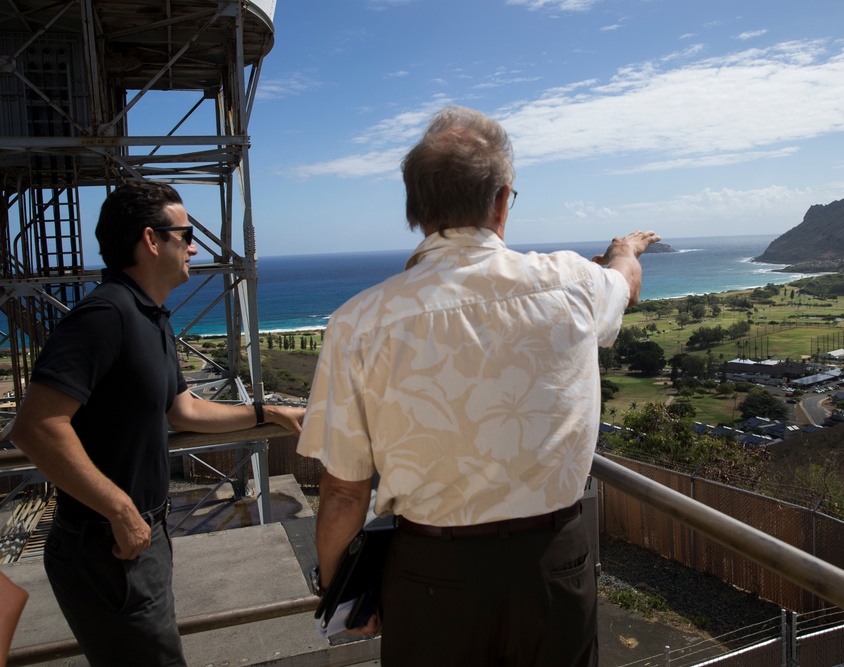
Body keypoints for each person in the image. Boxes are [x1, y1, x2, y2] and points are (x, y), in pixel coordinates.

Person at [298, 106, 660, 666]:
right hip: (553, 561)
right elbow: (624, 284)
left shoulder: (359, 322)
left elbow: (344, 490)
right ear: (501, 201)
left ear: (416, 210)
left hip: (429, 576)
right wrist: (625, 250)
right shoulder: (573, 283)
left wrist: (338, 587)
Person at [9, 181, 305, 666]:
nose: (193, 246)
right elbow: (36, 426)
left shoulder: (149, 317)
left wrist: (268, 412)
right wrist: (121, 510)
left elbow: (184, 410)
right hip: (107, 546)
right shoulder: (105, 315)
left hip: (139, 539)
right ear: (151, 240)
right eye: (185, 234)